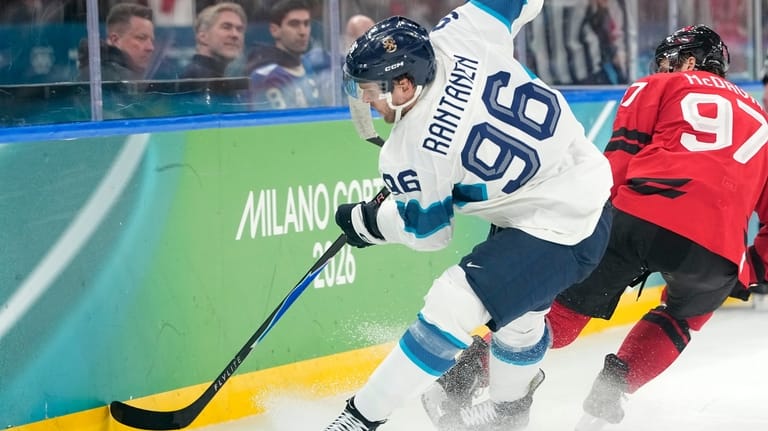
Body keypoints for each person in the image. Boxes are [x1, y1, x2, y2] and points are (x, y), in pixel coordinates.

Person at [422, 24, 768, 431]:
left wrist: (588, 219)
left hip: (637, 214)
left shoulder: (657, 86)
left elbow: (618, 159)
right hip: (717, 248)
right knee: (684, 317)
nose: (664, 67)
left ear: (691, 61)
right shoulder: (763, 121)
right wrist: (751, 270)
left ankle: (458, 382)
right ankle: (605, 401)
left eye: (671, 60)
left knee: (560, 319)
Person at [323, 0, 614, 429]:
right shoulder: (460, 31)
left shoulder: (410, 151)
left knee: (453, 302)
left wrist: (368, 223)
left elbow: (429, 234)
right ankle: (509, 414)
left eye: (371, 89)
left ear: (404, 85)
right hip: (579, 186)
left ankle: (358, 419)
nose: (367, 100)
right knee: (519, 319)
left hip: (560, 224)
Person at [245, 0, 324, 110]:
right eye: (294, 24)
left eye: (306, 24)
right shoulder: (267, 76)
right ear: (274, 30)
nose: (303, 32)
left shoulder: (309, 65)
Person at [77, 3, 155, 81]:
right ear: (115, 40)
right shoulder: (113, 80)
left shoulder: (98, 73)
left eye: (151, 41)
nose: (150, 47)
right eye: (141, 38)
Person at [180, 2, 246, 79]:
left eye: (239, 29)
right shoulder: (196, 78)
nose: (235, 35)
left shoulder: (212, 75)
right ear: (203, 36)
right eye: (226, 27)